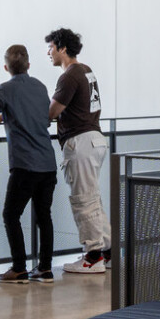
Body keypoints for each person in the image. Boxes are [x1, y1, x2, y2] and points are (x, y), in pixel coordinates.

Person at [0, 43, 57, 283]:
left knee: (10, 215)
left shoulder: (4, 89)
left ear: (6, 67)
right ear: (29, 65)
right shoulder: (40, 87)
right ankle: (44, 268)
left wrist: (2, 115)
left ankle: (19, 267)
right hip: (47, 162)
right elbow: (43, 119)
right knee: (44, 216)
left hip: (24, 165)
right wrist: (9, 115)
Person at [44, 28, 110, 274]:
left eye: (50, 47)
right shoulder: (86, 71)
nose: (48, 53)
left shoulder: (69, 76)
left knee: (84, 201)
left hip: (80, 142)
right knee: (93, 199)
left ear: (62, 48)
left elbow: (51, 112)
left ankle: (93, 257)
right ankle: (107, 251)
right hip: (95, 138)